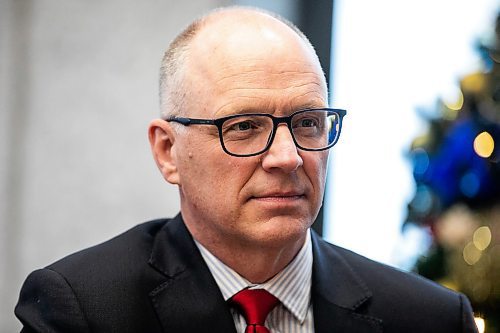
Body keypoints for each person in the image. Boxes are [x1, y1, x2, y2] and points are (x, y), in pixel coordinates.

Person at [15, 7, 478, 333]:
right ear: (168, 151)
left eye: (308, 123)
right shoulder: (82, 310)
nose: (288, 156)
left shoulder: (431, 317)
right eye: (244, 127)